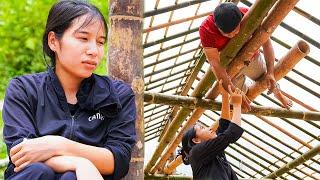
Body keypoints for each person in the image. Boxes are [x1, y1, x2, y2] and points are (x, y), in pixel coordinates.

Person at [2, 0, 136, 179]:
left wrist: (58, 145)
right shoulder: (24, 90)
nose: (94, 51)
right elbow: (21, 154)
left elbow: (119, 159)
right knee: (38, 171)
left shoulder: (118, 96)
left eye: (100, 42)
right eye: (83, 38)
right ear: (53, 41)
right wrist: (80, 162)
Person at [199, 2, 293, 111]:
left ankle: (278, 94)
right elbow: (215, 63)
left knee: (268, 79)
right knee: (241, 98)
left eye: (235, 32)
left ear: (240, 20)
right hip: (229, 67)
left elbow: (266, 42)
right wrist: (233, 91)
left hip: (251, 56)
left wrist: (270, 72)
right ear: (216, 25)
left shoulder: (248, 13)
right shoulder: (206, 29)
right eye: (228, 34)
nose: (233, 35)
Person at [180, 81, 244, 180]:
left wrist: (225, 95)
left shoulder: (213, 152)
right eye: (202, 128)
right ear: (196, 140)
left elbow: (224, 125)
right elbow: (230, 134)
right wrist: (236, 105)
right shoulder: (196, 153)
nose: (209, 128)